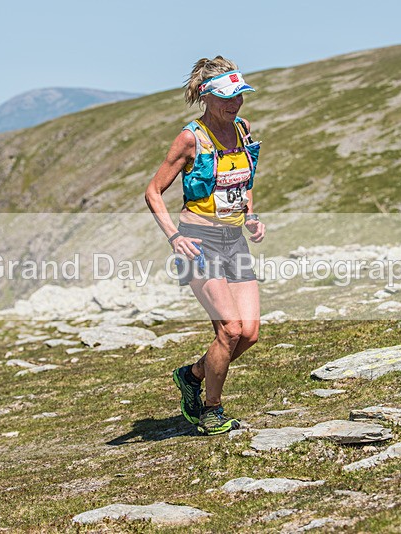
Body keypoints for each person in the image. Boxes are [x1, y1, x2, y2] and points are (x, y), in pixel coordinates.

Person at [144, 56, 265, 435]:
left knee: (250, 333)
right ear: (205, 95)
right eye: (227, 97)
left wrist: (250, 215)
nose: (235, 104)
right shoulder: (190, 138)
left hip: (234, 241)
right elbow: (153, 192)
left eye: (239, 95)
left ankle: (192, 375)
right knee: (229, 330)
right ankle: (212, 410)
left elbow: (241, 182)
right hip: (199, 243)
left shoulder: (243, 129)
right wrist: (175, 237)